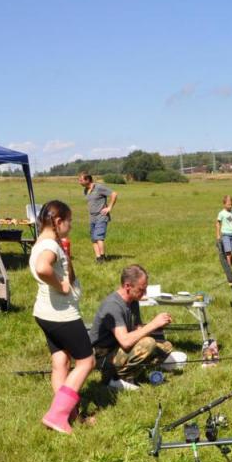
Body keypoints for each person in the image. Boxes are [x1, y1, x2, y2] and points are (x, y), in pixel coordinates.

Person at [29, 200, 94, 434]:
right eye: (70, 221)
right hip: (62, 315)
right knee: (87, 362)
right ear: (58, 222)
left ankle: (69, 414)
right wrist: (62, 286)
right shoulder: (50, 246)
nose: (71, 225)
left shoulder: (41, 242)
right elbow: (43, 268)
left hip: (44, 313)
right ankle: (57, 415)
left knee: (61, 364)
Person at [89, 264, 180, 391]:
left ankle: (137, 371)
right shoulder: (112, 305)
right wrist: (153, 324)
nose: (145, 293)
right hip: (103, 356)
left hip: (118, 348)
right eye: (141, 289)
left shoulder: (133, 300)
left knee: (165, 345)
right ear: (127, 286)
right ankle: (115, 379)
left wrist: (157, 328)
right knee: (148, 343)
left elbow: (137, 329)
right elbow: (125, 342)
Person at [78, 172, 118, 263]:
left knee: (99, 237)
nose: (79, 182)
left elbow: (114, 194)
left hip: (101, 216)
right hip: (92, 217)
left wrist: (109, 207)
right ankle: (98, 258)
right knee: (93, 238)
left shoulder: (99, 187)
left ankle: (103, 257)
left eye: (81, 180)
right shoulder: (85, 190)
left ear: (87, 180)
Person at [216, 195, 232, 265]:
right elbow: (217, 224)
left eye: (231, 204)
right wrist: (218, 235)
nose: (230, 206)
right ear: (224, 204)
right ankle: (229, 266)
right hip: (225, 234)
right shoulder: (221, 213)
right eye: (228, 204)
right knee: (228, 251)